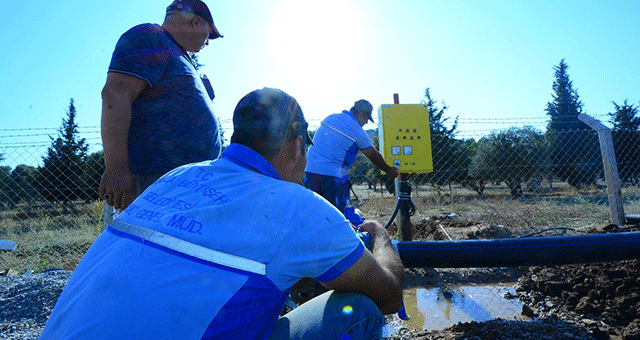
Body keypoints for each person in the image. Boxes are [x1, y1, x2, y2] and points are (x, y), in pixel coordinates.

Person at [40, 88, 405, 340]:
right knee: (358, 310)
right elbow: (388, 296)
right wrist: (382, 239)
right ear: (296, 146)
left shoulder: (178, 177)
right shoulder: (299, 208)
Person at [99, 0, 224, 211]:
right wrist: (116, 167)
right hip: (158, 181)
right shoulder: (151, 37)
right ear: (195, 21)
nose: (208, 42)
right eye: (209, 33)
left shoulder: (176, 54)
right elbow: (115, 93)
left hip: (185, 181)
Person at [304, 99, 399, 213]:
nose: (366, 123)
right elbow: (372, 155)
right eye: (366, 119)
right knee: (336, 215)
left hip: (309, 172)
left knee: (313, 213)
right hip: (333, 176)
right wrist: (389, 170)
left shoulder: (331, 118)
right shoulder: (357, 130)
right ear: (360, 115)